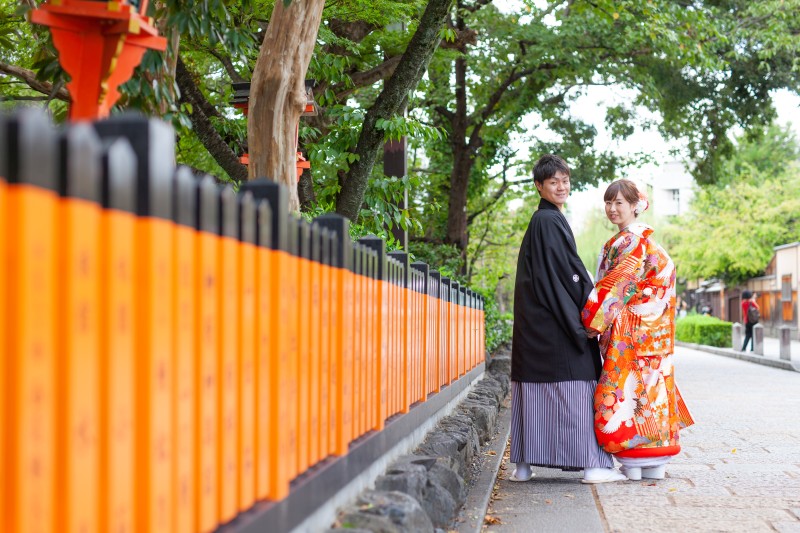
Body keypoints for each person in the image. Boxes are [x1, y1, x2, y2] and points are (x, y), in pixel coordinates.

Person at [510, 154, 625, 485]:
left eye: (565, 181)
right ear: (539, 186)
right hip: (555, 324)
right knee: (578, 379)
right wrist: (586, 319)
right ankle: (591, 465)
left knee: (534, 390)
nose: (561, 187)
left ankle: (523, 465)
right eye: (553, 182)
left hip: (537, 324)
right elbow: (567, 274)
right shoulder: (548, 221)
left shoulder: (543, 220)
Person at [582, 179, 695, 481]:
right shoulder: (640, 240)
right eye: (608, 202)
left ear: (635, 206)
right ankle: (657, 459)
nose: (612, 208)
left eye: (619, 202)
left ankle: (635, 458)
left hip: (633, 331)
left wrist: (593, 323)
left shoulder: (630, 241)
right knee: (654, 386)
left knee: (624, 388)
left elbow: (615, 288)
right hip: (652, 331)